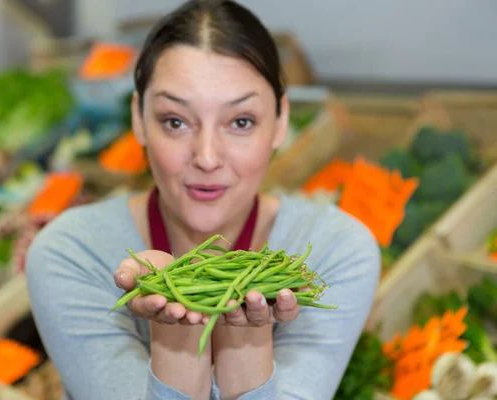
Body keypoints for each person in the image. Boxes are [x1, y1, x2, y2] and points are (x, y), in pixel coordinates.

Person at [25, 1, 381, 399]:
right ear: (139, 119)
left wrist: (247, 340)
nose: (207, 157)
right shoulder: (71, 252)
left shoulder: (335, 251)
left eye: (240, 122)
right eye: (175, 121)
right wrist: (178, 332)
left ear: (280, 121)